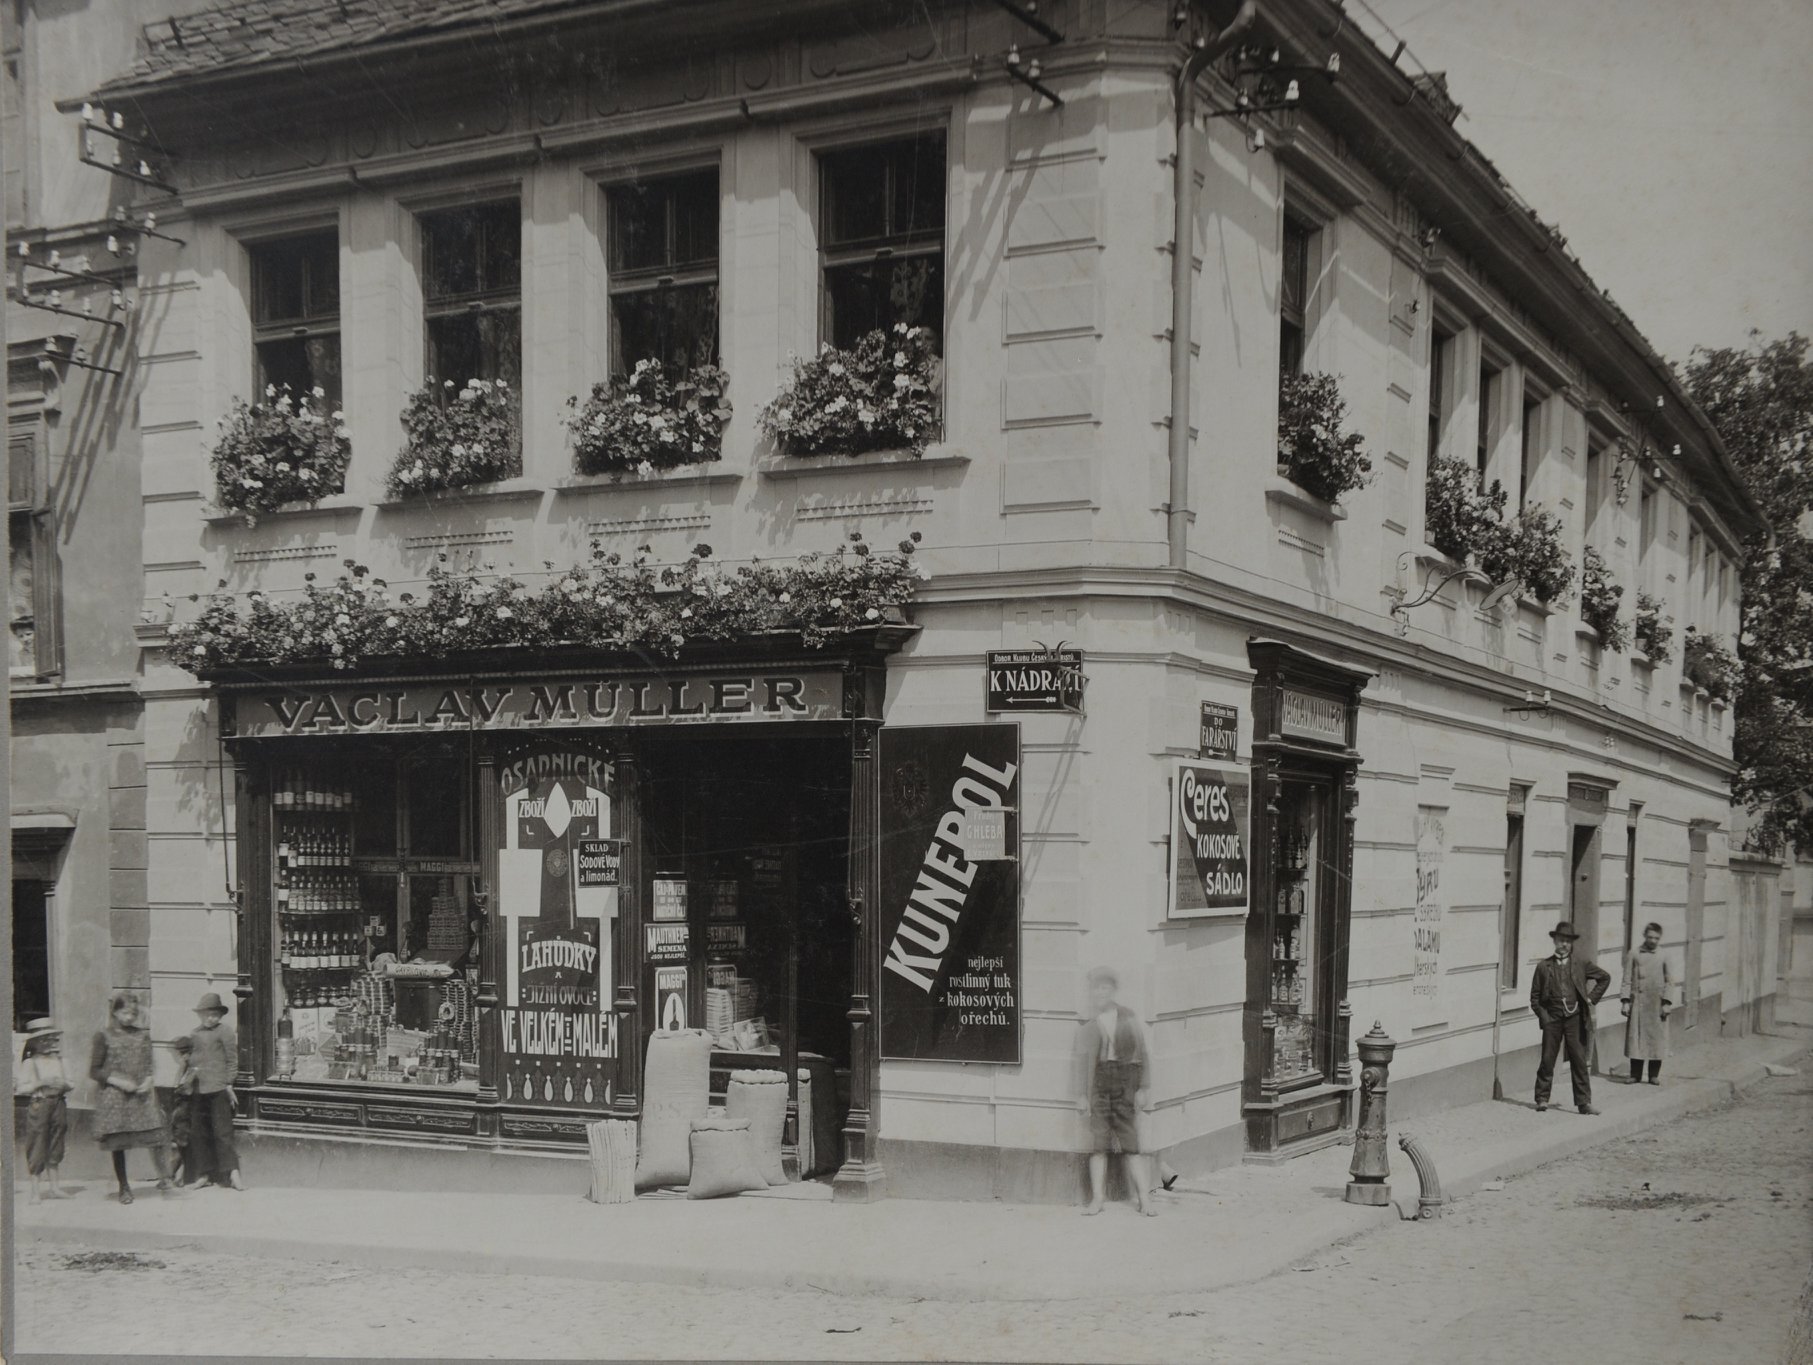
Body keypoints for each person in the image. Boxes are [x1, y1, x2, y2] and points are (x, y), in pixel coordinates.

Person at [1074, 967, 1156, 1217]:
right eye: (1096, 988)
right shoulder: (1088, 1024)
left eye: (1105, 988)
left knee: (1131, 1144)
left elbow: (1142, 1053)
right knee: (1099, 1145)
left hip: (1125, 1083)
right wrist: (1082, 1095)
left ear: (1112, 990)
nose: (1100, 993)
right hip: (1099, 1085)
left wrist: (1143, 1087)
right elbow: (1081, 1063)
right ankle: (1097, 1199)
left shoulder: (1127, 1017)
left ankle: (1144, 1199)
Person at [89, 991, 179, 1203]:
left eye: (133, 1013)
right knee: (119, 1144)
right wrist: (118, 1081)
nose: (130, 1017)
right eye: (125, 1013)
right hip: (115, 1098)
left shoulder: (142, 1036)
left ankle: (165, 1179)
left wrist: (148, 1079)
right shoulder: (103, 1036)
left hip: (141, 1096)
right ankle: (124, 1187)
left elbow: (149, 1064)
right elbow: (94, 1070)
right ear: (115, 1012)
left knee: (156, 1137)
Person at [1529, 921, 1611, 1115]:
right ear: (1554, 941)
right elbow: (1534, 998)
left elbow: (1604, 978)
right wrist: (1545, 1017)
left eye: (1567, 941)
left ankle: (1584, 1103)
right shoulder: (1543, 967)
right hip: (1553, 1018)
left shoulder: (1581, 964)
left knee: (1579, 1059)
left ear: (1572, 943)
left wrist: (1591, 999)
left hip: (1575, 1018)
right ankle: (1542, 1098)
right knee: (1548, 1058)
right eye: (1561, 940)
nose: (1564, 944)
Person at [186, 992, 243, 1191]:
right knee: (199, 1133)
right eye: (207, 1014)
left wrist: (229, 1084)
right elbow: (192, 1061)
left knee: (223, 1133)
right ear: (200, 1014)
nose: (211, 1018)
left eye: (215, 1015)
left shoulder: (225, 1032)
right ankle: (204, 1174)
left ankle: (233, 1173)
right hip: (198, 1090)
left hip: (219, 1089)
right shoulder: (195, 1034)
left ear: (220, 1015)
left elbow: (232, 1060)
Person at [15, 1018, 74, 1201]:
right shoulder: (30, 1063)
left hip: (58, 1104)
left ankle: (55, 1187)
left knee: (57, 1143)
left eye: (51, 1038)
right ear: (33, 1043)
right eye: (43, 1040)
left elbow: (71, 1083)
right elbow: (21, 1088)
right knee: (37, 1143)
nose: (48, 1042)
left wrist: (63, 1084)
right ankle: (35, 1191)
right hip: (39, 1104)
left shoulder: (61, 1061)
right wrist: (41, 1082)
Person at [1620, 921, 1675, 1086]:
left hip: (1657, 1004)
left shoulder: (1664, 955)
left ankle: (1653, 1075)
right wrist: (1625, 1001)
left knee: (1656, 1039)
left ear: (1660, 938)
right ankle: (1635, 1075)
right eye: (1650, 937)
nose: (1653, 941)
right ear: (1645, 936)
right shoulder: (1634, 953)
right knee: (1636, 1039)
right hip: (1639, 1002)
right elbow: (1626, 979)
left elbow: (1670, 981)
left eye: (1656, 938)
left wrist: (1667, 1002)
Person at [167, 1035, 196, 1185]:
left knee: (181, 1144)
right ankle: (176, 1176)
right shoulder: (184, 1068)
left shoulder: (192, 1070)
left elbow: (186, 1090)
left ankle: (175, 1175)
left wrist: (179, 1086)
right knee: (178, 1144)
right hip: (179, 1113)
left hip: (186, 1113)